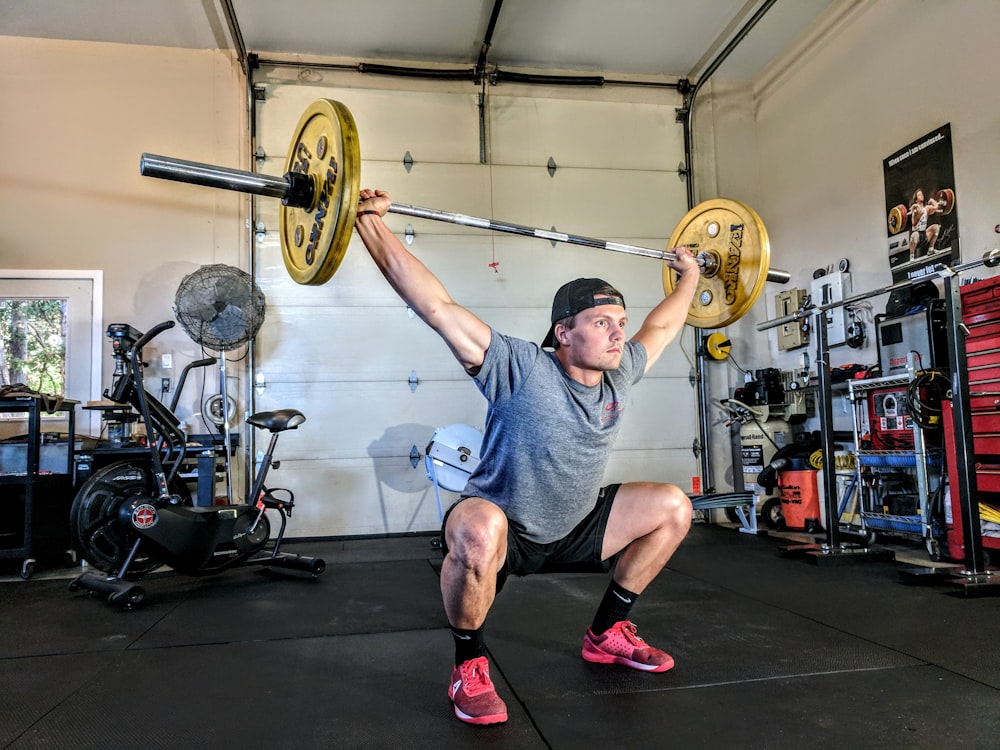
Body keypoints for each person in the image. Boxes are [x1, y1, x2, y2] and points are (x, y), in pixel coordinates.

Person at [354, 188, 700, 726]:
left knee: (675, 506)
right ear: (564, 333)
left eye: (620, 321)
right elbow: (435, 306)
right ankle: (468, 665)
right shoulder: (520, 366)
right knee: (475, 530)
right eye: (602, 321)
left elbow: (664, 325)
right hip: (505, 525)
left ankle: (607, 632)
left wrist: (691, 278)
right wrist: (369, 223)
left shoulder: (621, 372)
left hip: (579, 523)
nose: (618, 332)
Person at [908, 188, 940, 261]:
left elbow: (936, 207)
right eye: (919, 195)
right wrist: (914, 206)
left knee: (936, 227)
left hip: (925, 235)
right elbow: (920, 212)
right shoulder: (915, 211)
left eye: (921, 194)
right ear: (916, 199)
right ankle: (912, 256)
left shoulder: (926, 209)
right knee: (914, 235)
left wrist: (932, 200)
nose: (921, 195)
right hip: (917, 237)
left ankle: (931, 249)